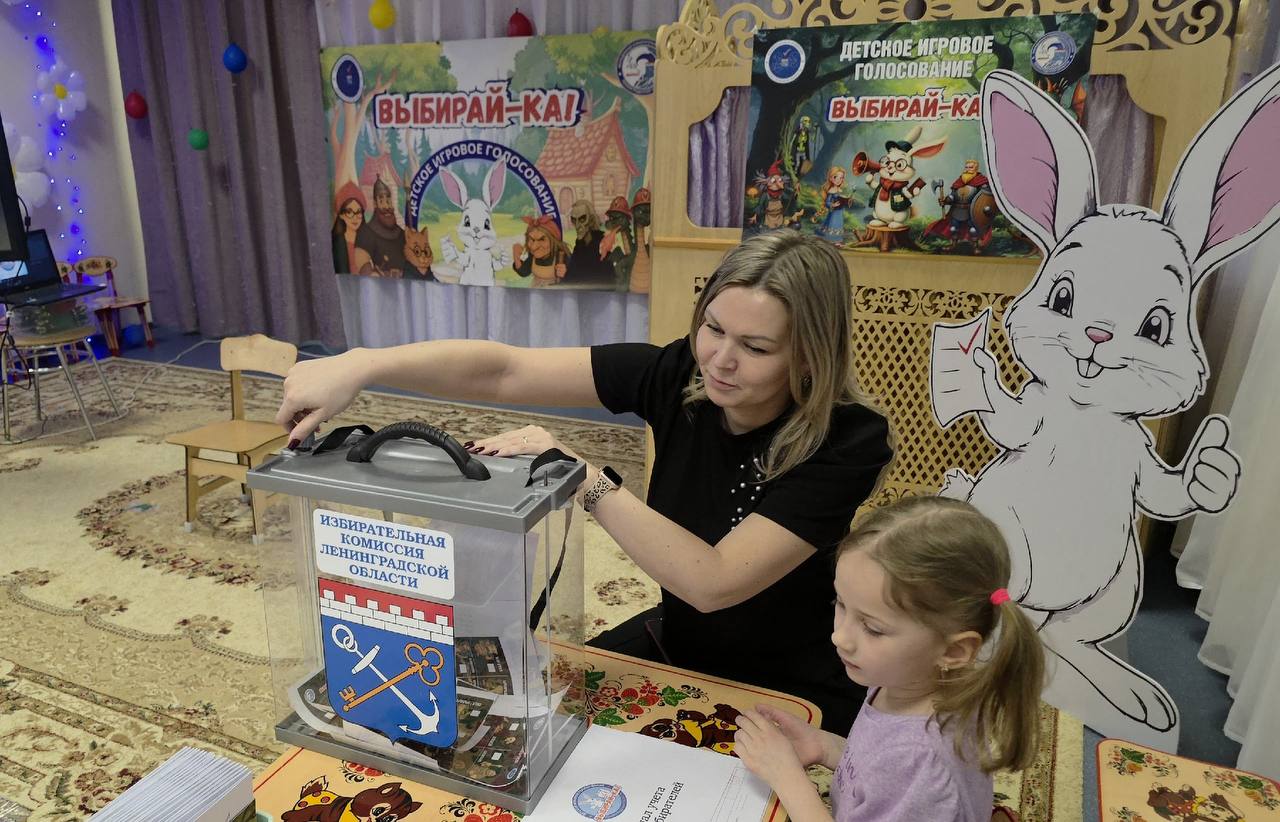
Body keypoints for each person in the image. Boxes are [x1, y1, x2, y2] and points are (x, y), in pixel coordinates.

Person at [274, 230, 893, 734]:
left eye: (755, 348)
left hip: (792, 683)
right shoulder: (680, 372)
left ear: (809, 354)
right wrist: (362, 364)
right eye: (713, 329)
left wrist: (585, 477)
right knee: (524, 721)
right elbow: (504, 370)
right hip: (679, 642)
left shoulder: (849, 440)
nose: (720, 360)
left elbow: (714, 582)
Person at [733, 496, 1046, 822]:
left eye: (872, 628)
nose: (839, 637)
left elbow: (899, 769)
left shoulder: (923, 761)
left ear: (953, 651)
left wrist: (786, 778)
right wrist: (825, 747)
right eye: (840, 604)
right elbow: (879, 773)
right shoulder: (903, 678)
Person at [512, 215, 568, 287]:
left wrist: (567, 273)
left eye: (542, 240)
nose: (534, 247)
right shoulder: (533, 256)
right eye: (532, 240)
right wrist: (516, 256)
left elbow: (577, 278)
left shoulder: (561, 256)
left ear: (554, 240)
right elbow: (524, 272)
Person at [331, 181, 373, 275]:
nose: (355, 217)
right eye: (349, 212)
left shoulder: (367, 238)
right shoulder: (338, 241)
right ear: (341, 215)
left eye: (358, 212)